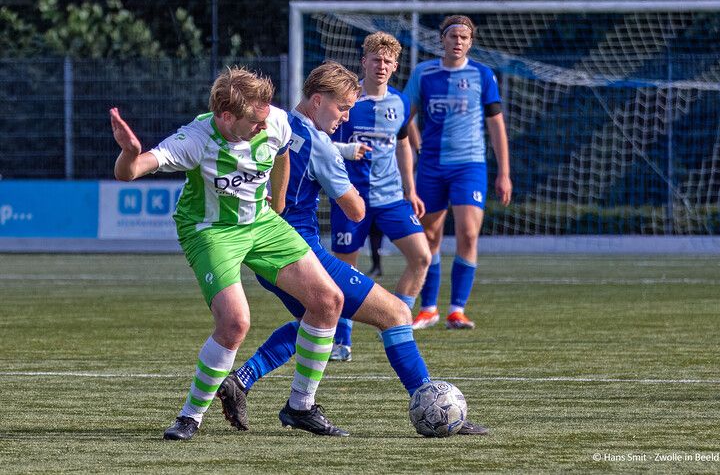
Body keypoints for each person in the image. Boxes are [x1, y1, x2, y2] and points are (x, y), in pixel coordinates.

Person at [214, 61, 488, 436]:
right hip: (299, 250)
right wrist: (350, 178)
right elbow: (355, 210)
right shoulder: (319, 145)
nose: (344, 117)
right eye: (342, 107)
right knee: (394, 313)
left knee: (313, 323)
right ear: (316, 100)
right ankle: (430, 400)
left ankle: (243, 381)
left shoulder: (270, 122)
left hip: (259, 251)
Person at [110, 66, 346, 441]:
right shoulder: (195, 139)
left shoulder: (274, 121)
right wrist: (129, 152)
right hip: (211, 230)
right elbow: (130, 172)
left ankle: (301, 406)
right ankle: (190, 416)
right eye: (254, 121)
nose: (263, 126)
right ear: (225, 116)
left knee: (329, 300)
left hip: (261, 223)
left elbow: (283, 152)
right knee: (236, 322)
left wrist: (280, 199)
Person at [328, 31, 431, 362]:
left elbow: (403, 144)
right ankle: (342, 341)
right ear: (364, 62)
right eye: (376, 59)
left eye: (388, 61)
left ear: (395, 65)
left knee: (421, 257)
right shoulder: (348, 101)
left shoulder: (399, 102)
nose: (382, 65)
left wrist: (411, 190)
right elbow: (324, 143)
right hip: (351, 198)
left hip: (390, 199)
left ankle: (396, 320)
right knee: (346, 271)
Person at [405, 15, 512, 330]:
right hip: (431, 166)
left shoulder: (482, 74)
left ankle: (457, 309)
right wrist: (417, 144)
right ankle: (428, 308)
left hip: (469, 165)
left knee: (468, 233)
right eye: (453, 36)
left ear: (471, 42)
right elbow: (403, 115)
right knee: (429, 235)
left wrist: (504, 172)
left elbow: (496, 125)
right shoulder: (424, 73)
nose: (458, 42)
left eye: (464, 37)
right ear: (442, 39)